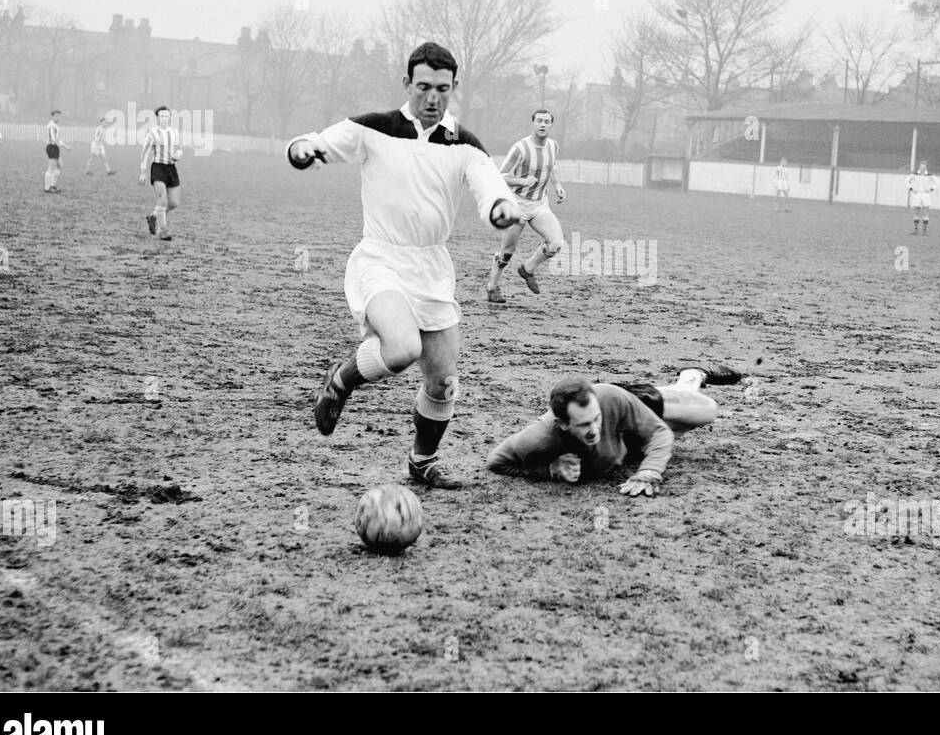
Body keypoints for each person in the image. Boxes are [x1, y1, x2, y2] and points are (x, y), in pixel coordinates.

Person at [288, 42, 520, 490]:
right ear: (407, 84)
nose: (432, 98)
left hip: (431, 267)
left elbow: (489, 187)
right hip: (380, 259)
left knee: (444, 381)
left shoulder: (464, 143)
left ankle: (423, 461)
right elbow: (318, 142)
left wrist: (500, 208)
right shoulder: (374, 128)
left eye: (443, 89)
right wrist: (302, 148)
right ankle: (340, 380)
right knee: (400, 348)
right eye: (423, 87)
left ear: (453, 88)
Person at [486, 364, 742, 497]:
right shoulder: (541, 436)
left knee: (707, 410)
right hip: (623, 442)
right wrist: (549, 469)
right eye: (584, 424)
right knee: (668, 437)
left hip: (634, 402)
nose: (594, 428)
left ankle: (691, 376)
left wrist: (649, 472)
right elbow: (497, 461)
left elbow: (658, 433)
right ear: (563, 424)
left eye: (596, 419)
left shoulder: (610, 400)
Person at [486, 109, 566, 302]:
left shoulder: (553, 146)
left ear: (551, 125)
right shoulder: (520, 148)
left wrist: (558, 186)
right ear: (533, 123)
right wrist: (522, 182)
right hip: (516, 205)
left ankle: (528, 268)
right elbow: (501, 176)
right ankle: (492, 288)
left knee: (556, 244)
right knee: (507, 252)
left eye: (547, 121)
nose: (543, 124)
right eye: (539, 120)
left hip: (539, 205)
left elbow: (552, 167)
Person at [138, 106, 182, 241]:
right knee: (162, 201)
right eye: (161, 116)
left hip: (171, 169)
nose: (164, 119)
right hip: (158, 168)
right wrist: (142, 172)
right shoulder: (152, 133)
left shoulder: (174, 132)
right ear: (157, 118)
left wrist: (177, 156)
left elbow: (179, 149)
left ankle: (153, 216)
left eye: (166, 116)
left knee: (174, 203)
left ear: (169, 117)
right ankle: (163, 231)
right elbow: (144, 153)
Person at [906, 162, 940, 235]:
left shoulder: (929, 175)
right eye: (921, 167)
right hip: (917, 194)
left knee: (925, 212)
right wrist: (911, 189)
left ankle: (924, 231)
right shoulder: (915, 174)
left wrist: (931, 189)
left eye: (924, 167)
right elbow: (906, 180)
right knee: (916, 212)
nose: (922, 169)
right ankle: (916, 230)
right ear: (919, 167)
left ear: (926, 168)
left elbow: (938, 182)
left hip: (926, 195)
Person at [43, 110, 72, 193]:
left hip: (55, 147)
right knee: (51, 168)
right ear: (52, 116)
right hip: (52, 147)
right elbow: (54, 139)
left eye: (58, 116)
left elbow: (57, 139)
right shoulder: (51, 126)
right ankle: (47, 188)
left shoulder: (55, 125)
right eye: (56, 116)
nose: (57, 117)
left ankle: (52, 185)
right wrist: (65, 146)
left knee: (60, 165)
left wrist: (64, 145)